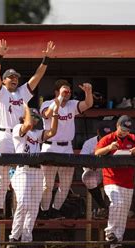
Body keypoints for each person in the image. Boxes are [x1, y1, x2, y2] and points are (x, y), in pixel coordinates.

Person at [0, 39, 56, 219]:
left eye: (16, 77)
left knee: (21, 173)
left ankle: (19, 209)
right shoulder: (1, 92)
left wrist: (46, 58)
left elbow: (37, 76)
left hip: (22, 136)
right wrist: (0, 56)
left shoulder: (22, 92)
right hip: (5, 135)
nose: (14, 79)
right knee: (3, 173)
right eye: (10, 77)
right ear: (4, 81)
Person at [7, 103, 59, 248]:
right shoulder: (18, 128)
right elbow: (28, 124)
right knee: (23, 203)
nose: (35, 120)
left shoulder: (38, 133)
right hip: (22, 170)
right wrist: (26, 109)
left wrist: (55, 113)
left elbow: (52, 132)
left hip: (37, 172)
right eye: (33, 117)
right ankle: (14, 237)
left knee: (34, 207)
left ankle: (26, 239)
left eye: (37, 118)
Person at [40, 79, 94, 219]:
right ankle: (45, 211)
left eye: (69, 91)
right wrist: (59, 99)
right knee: (47, 184)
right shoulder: (47, 103)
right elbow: (47, 114)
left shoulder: (72, 105)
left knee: (65, 184)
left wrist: (88, 92)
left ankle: (55, 209)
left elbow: (88, 104)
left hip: (67, 148)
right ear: (56, 92)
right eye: (64, 90)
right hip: (50, 147)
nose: (67, 94)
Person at [94, 115, 135, 248]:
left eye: (127, 129)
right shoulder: (108, 138)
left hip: (128, 180)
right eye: (123, 129)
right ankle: (110, 232)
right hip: (111, 178)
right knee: (118, 203)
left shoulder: (133, 138)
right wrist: (109, 148)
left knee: (124, 211)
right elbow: (97, 152)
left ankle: (116, 243)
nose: (125, 132)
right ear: (117, 126)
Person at [80, 124, 112, 219]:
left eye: (107, 136)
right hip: (95, 171)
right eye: (103, 135)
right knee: (88, 178)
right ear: (98, 133)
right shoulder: (89, 143)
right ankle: (103, 207)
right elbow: (81, 160)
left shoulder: (114, 141)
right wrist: (90, 164)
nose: (105, 138)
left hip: (109, 170)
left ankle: (117, 209)